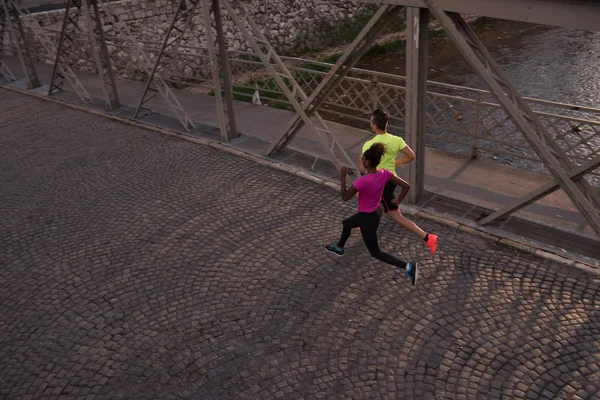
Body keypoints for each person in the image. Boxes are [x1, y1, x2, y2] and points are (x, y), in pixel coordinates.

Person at [326, 143, 418, 286]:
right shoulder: (384, 173)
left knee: (376, 253)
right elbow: (406, 186)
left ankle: (408, 267)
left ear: (367, 162)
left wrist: (343, 177)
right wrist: (398, 200)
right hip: (376, 212)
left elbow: (344, 197)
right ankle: (339, 247)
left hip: (366, 219)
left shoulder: (362, 181)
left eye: (362, 158)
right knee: (347, 223)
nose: (361, 160)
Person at [359, 109, 438, 255]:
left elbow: (363, 168)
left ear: (375, 125)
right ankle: (362, 223)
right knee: (379, 206)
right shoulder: (396, 140)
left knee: (395, 215)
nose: (370, 123)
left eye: (370, 121)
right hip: (391, 180)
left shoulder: (369, 144)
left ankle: (428, 238)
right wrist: (396, 163)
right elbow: (411, 156)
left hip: (378, 183)